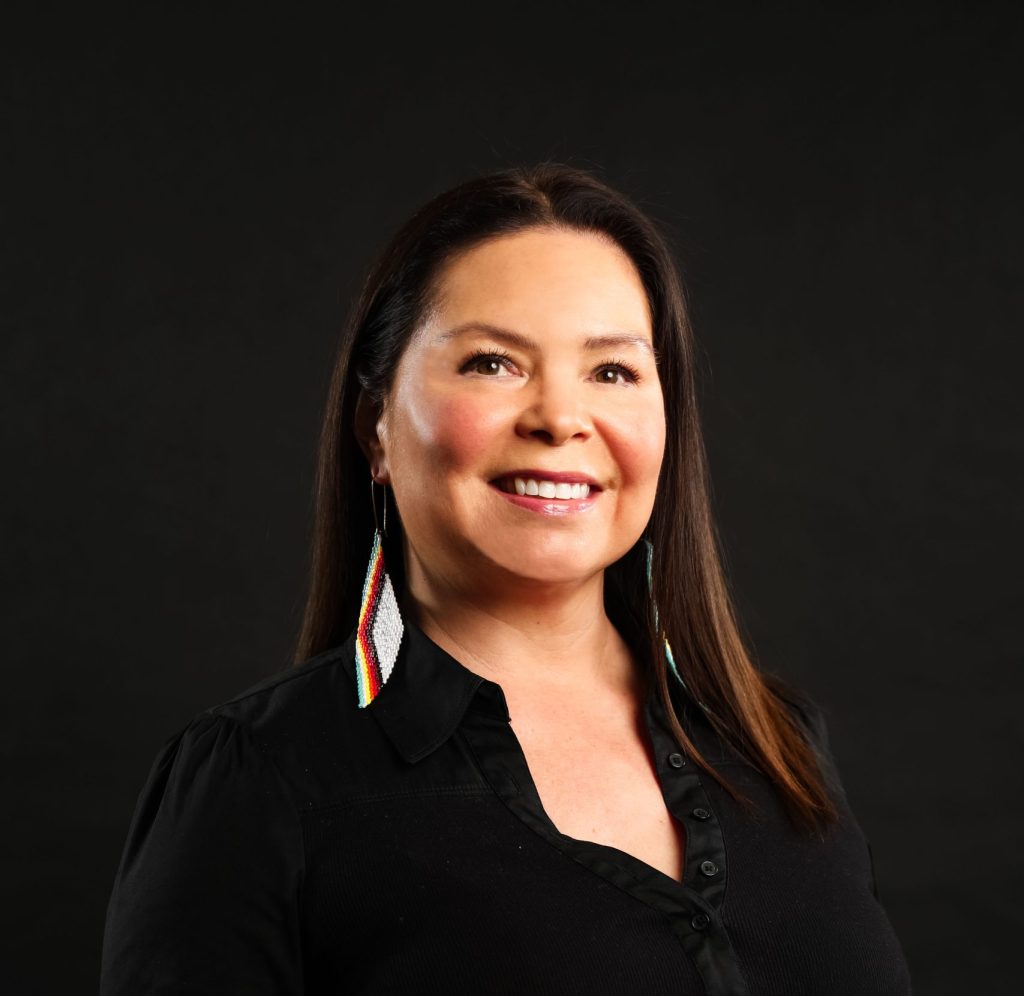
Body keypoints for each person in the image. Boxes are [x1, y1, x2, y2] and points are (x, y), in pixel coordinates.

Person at [100, 163, 913, 994]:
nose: (560, 418)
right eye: (493, 363)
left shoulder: (775, 743)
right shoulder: (260, 779)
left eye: (612, 372)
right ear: (375, 429)